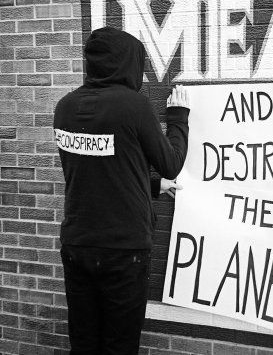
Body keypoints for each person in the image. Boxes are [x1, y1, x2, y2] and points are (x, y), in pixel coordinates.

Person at [54, 26, 190, 355]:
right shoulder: (133, 106)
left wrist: (153, 186)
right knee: (120, 347)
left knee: (84, 344)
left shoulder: (64, 107)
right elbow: (171, 163)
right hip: (123, 251)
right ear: (126, 62)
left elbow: (97, 171)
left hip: (77, 246)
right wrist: (178, 118)